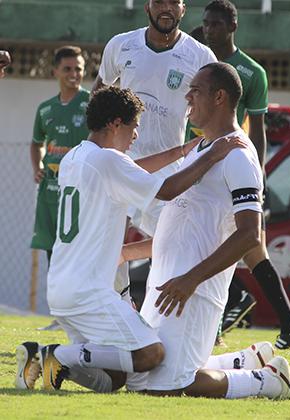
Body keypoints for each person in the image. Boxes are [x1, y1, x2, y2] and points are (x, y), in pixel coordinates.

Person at [14, 86, 245, 392]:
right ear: (115, 123)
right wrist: (212, 155)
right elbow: (165, 190)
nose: (136, 136)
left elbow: (131, 170)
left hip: (60, 287)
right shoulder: (108, 161)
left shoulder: (76, 157)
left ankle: (56, 365)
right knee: (152, 354)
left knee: (116, 379)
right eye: (134, 127)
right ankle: (52, 355)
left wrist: (180, 152)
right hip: (89, 291)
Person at [122, 63, 290, 399]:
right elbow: (181, 223)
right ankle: (243, 359)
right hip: (167, 285)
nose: (187, 96)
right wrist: (127, 253)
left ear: (219, 97)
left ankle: (268, 382)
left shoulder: (239, 156)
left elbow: (249, 235)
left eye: (196, 90)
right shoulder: (202, 149)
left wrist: (191, 280)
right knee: (140, 379)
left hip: (194, 292)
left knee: (170, 387)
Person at [92, 0, 217, 305]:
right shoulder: (122, 45)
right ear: (147, 6)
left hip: (169, 170)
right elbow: (99, 96)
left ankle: (162, 314)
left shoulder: (200, 56)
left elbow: (215, 110)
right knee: (105, 241)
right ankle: (115, 307)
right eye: (159, 1)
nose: (166, 8)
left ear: (183, 9)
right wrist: (94, 154)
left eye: (173, 2)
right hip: (123, 165)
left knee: (175, 244)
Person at [202, 0, 290, 349]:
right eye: (206, 23)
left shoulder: (251, 72)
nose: (209, 30)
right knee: (229, 246)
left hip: (227, 167)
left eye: (216, 24)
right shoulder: (195, 58)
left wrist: (257, 178)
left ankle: (239, 302)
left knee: (244, 246)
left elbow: (257, 129)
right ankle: (287, 327)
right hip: (198, 163)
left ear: (232, 26)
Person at [30, 46, 89, 264]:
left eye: (78, 69)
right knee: (53, 261)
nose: (74, 74)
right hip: (51, 193)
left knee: (76, 258)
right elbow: (36, 144)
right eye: (67, 69)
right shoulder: (45, 109)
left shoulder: (91, 104)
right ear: (55, 71)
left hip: (79, 192)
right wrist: (37, 169)